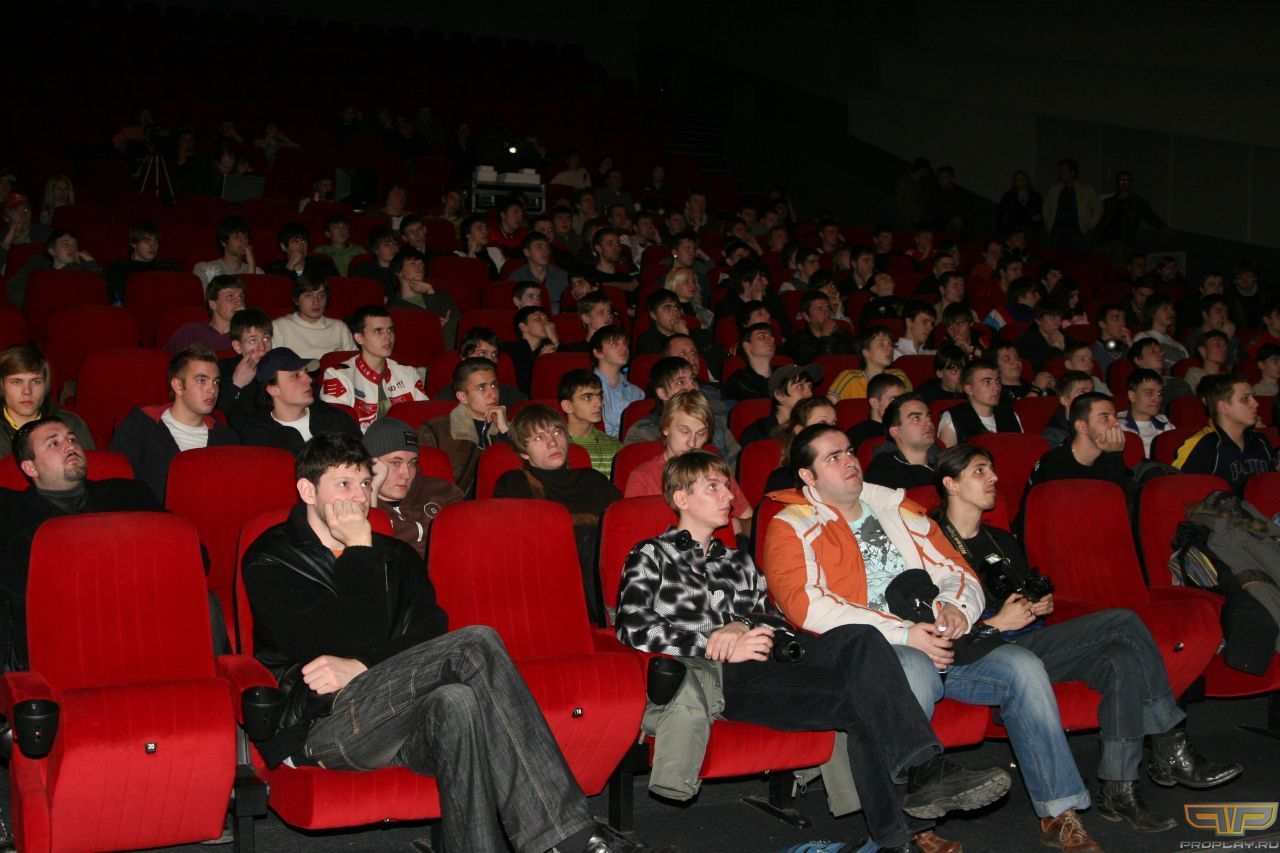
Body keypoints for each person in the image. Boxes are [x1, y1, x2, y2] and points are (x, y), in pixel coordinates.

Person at [240, 433, 621, 853]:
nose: (360, 497)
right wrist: (359, 549)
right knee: (475, 643)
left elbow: (428, 632)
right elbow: (338, 637)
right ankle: (565, 836)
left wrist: (362, 664)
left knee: (457, 700)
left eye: (364, 483)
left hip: (399, 717)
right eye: (344, 484)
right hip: (320, 725)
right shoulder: (272, 557)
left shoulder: (396, 556)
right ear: (308, 490)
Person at [617, 449, 1010, 853]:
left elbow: (775, 619)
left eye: (727, 486)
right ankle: (923, 777)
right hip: (720, 679)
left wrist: (744, 626)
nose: (729, 496)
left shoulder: (738, 562)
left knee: (862, 641)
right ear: (682, 499)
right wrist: (716, 640)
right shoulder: (652, 555)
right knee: (864, 699)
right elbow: (632, 625)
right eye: (713, 487)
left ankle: (901, 830)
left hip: (773, 663)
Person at [763, 424, 1109, 852]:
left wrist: (954, 609)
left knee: (1023, 667)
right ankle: (910, 825)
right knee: (913, 670)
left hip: (937, 638)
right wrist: (905, 633)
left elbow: (956, 571)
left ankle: (1059, 810)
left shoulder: (895, 507)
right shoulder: (791, 524)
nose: (849, 461)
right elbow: (806, 605)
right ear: (808, 476)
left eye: (849, 451)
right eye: (833, 457)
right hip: (869, 652)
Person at [937, 445, 1242, 835]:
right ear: (951, 483)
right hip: (986, 654)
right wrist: (997, 622)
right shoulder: (931, 543)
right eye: (980, 471)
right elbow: (941, 629)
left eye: (992, 469)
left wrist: (1040, 604)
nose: (993, 478)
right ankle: (1169, 740)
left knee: (1121, 658)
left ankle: (1119, 788)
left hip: (1030, 640)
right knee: (1123, 622)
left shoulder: (1001, 540)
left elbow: (1022, 593)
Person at [0, 417, 161, 669]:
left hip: (135, 608)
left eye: (72, 438)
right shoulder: (10, 512)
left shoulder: (130, 493)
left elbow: (192, 555)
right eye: (53, 443)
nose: (70, 445)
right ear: (30, 468)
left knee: (205, 600)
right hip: (58, 624)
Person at [494, 405, 621, 625]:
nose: (552, 442)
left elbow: (622, 528)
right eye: (538, 438)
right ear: (524, 452)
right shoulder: (514, 483)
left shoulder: (592, 479)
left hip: (605, 573)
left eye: (556, 432)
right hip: (548, 576)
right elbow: (513, 545)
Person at [111, 344, 240, 502]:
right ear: (178, 386)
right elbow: (120, 488)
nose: (212, 390)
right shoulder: (141, 427)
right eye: (201, 381)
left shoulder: (226, 438)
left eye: (215, 382)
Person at [625, 390, 753, 540]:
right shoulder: (643, 478)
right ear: (666, 428)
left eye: (701, 433)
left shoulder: (717, 472)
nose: (692, 443)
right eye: (685, 431)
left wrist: (737, 525)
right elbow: (635, 538)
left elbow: (751, 521)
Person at [362, 416, 463, 560]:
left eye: (412, 463)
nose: (407, 474)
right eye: (395, 463)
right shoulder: (356, 502)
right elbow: (370, 558)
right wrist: (372, 489)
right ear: (371, 464)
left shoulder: (443, 492)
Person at [319, 306, 427, 431]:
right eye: (378, 331)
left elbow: (425, 420)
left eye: (390, 330)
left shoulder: (409, 374)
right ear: (359, 338)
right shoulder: (338, 376)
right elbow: (336, 430)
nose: (388, 336)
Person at [238, 348, 361, 453]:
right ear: (273, 390)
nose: (309, 379)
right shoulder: (258, 437)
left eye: (306, 372)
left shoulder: (334, 419)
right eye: (296, 375)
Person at [417, 357, 510, 495]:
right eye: (481, 387)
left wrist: (505, 432)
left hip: (504, 504)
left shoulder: (512, 429)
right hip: (455, 504)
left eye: (494, 385)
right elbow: (427, 487)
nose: (492, 394)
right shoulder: (434, 431)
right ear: (462, 397)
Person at [624, 357, 740, 466]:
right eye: (680, 382)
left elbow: (733, 474)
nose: (692, 387)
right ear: (662, 393)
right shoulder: (643, 431)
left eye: (692, 379)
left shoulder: (717, 425)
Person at [1173, 375, 1275, 494]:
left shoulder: (1261, 441)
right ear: (1224, 406)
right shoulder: (1202, 446)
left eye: (1253, 397)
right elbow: (1179, 491)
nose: (1256, 403)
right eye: (1245, 398)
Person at [0, 345, 94, 457]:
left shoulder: (71, 425)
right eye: (16, 382)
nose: (27, 391)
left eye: (36, 382)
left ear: (46, 386)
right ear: (2, 386)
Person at [1028, 393, 1130, 490]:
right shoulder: (1054, 463)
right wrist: (1114, 456)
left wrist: (1115, 456)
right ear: (1081, 427)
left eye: (1115, 416)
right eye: (1105, 418)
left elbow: (1117, 498)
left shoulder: (1110, 455)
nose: (1116, 423)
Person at [270, 272, 357, 361]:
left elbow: (354, 362)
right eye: (308, 295)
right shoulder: (279, 326)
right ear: (296, 300)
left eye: (321, 295)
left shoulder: (339, 327)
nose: (316, 302)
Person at [6, 228, 101, 309]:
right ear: (52, 250)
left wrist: (92, 264)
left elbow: (100, 293)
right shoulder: (35, 268)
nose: (73, 248)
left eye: (75, 245)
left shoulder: (83, 271)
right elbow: (14, 289)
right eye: (66, 244)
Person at [936, 361, 1023, 448]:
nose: (996, 387)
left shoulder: (1010, 414)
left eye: (997, 381)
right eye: (987, 382)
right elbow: (947, 456)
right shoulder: (954, 417)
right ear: (969, 389)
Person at [385, 247, 459, 349]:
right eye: (413, 263)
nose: (420, 266)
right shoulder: (395, 308)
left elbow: (459, 324)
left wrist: (430, 291)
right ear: (398, 271)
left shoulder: (440, 294)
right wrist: (437, 325)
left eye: (422, 264)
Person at [432, 327, 527, 407]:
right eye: (482, 353)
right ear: (464, 357)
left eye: (494, 354)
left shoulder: (514, 395)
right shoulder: (446, 398)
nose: (490, 359)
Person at [864, 394, 941, 490]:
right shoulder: (882, 471)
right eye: (916, 418)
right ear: (895, 432)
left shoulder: (946, 463)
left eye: (929, 417)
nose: (929, 423)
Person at [558, 369, 622, 477]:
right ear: (567, 406)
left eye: (599, 395)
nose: (599, 403)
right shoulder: (555, 445)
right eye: (587, 397)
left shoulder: (614, 446)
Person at [739, 365, 821, 448]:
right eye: (800, 386)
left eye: (810, 387)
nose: (810, 393)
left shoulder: (817, 425)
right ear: (779, 395)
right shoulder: (758, 434)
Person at [218, 308, 274, 427]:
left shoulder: (278, 368)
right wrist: (236, 385)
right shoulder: (223, 370)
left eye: (266, 339)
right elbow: (218, 415)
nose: (262, 348)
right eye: (253, 341)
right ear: (237, 346)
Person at [103, 219, 182, 304]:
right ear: (133, 243)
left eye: (156, 241)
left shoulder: (169, 268)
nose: (153, 246)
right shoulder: (116, 270)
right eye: (146, 241)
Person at [827, 327, 913, 402]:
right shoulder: (850, 378)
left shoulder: (899, 376)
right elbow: (827, 405)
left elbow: (912, 406)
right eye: (881, 344)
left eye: (890, 344)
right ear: (866, 352)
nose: (890, 348)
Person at [163, 274, 244, 353]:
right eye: (230, 297)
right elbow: (165, 359)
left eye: (240, 297)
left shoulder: (246, 334)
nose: (239, 302)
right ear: (213, 304)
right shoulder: (190, 333)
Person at [592, 326, 644, 438]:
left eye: (625, 343)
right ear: (598, 353)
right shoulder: (584, 389)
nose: (623, 347)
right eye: (614, 344)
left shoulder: (637, 393)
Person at [1041, 158, 1102, 255]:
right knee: (1056, 257)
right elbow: (1045, 208)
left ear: (1072, 173)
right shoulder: (1054, 190)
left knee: (1076, 258)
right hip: (1057, 231)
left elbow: (1098, 208)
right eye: (1060, 170)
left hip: (1077, 231)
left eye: (1063, 170)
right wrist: (1049, 224)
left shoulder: (1086, 190)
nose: (1060, 173)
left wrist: (1089, 226)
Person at [501, 306, 560, 396]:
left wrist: (555, 339)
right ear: (523, 326)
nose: (546, 323)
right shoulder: (508, 349)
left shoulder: (551, 348)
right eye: (538, 319)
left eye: (547, 319)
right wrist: (539, 362)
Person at [1118, 369, 1176, 457]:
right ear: (1132, 396)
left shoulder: (1165, 423)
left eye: (1159, 393)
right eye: (1149, 393)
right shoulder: (1117, 425)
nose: (1157, 399)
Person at [788, 291, 856, 365]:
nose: (826, 313)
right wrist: (826, 336)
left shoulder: (842, 335)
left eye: (828, 308)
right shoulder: (800, 342)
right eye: (820, 309)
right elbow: (818, 368)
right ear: (806, 316)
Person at [847, 372, 909, 452]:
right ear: (875, 403)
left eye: (903, 399)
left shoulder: (908, 428)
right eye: (893, 399)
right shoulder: (859, 434)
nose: (901, 404)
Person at [193, 216, 261, 286]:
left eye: (246, 236)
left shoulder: (258, 272)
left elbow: (252, 292)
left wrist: (251, 263)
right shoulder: (205, 270)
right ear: (223, 242)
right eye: (237, 236)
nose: (243, 240)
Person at [510, 232, 570, 309]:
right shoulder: (516, 278)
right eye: (539, 247)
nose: (545, 251)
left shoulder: (562, 276)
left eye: (547, 247)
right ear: (527, 252)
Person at [0, 193, 52, 276]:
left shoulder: (43, 232)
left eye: (26, 210)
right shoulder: (1, 236)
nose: (23, 215)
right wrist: (6, 243)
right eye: (16, 211)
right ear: (6, 217)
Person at [263, 222, 339, 279]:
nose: (301, 245)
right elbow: (277, 290)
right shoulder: (274, 269)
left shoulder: (324, 265)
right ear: (283, 247)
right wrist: (290, 266)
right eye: (296, 241)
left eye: (303, 241)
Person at [1132, 294, 1188, 371]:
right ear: (1152, 312)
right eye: (1165, 309)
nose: (1171, 312)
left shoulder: (1180, 347)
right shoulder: (1142, 337)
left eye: (1172, 309)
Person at [722, 322, 776, 401]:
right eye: (762, 336)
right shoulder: (738, 382)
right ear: (746, 346)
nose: (772, 340)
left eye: (772, 337)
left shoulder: (785, 376)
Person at [1041, 371, 1096, 447]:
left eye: (1092, 391)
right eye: (1082, 392)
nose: (1091, 397)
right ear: (1064, 400)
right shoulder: (1054, 435)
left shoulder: (1098, 420)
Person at [350, 226, 402, 297]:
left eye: (395, 243)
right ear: (375, 249)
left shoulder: (404, 269)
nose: (393, 248)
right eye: (387, 245)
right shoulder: (363, 269)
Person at [1015, 303, 1066, 373]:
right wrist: (1056, 349)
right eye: (1052, 318)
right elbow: (1035, 367)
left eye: (1060, 318)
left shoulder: (1065, 336)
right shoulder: (1026, 340)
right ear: (1038, 320)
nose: (1058, 323)